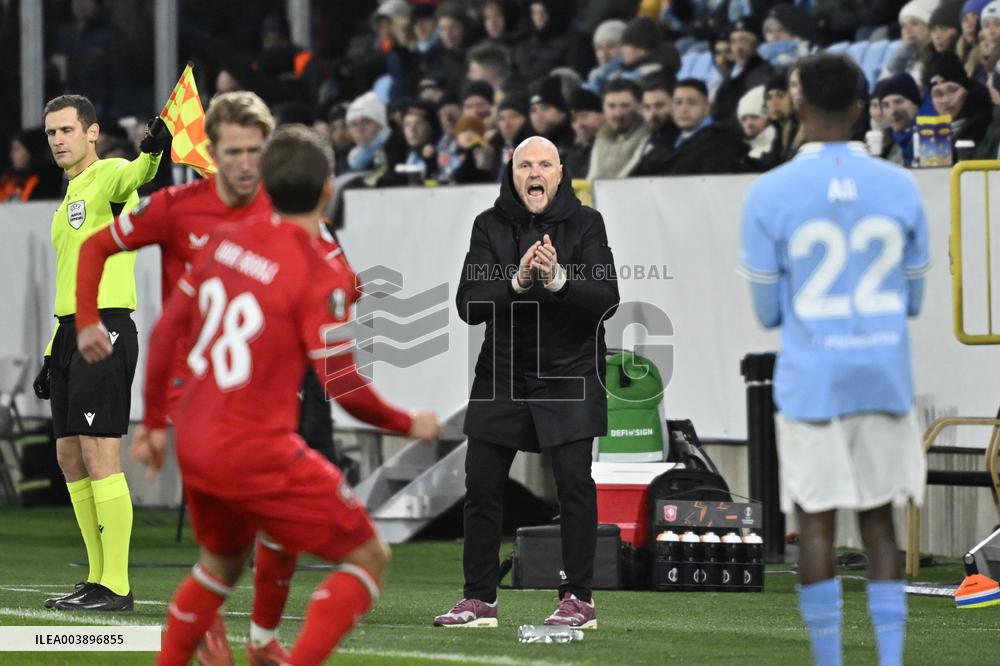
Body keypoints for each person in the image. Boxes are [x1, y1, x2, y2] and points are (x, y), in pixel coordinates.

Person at [142, 125, 442, 665]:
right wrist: (407, 423)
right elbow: (343, 385)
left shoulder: (223, 240)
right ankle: (270, 645)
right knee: (368, 556)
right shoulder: (318, 270)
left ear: (265, 183)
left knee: (219, 566)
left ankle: (250, 644)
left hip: (195, 438)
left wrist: (150, 422)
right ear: (328, 188)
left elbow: (165, 332)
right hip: (254, 447)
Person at [71, 91, 313, 664]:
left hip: (266, 382)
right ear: (213, 151)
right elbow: (98, 247)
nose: (245, 163)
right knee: (242, 511)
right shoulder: (177, 207)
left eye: (255, 151)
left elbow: (324, 266)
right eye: (234, 150)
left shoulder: (282, 209)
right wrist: (84, 321)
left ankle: (240, 630)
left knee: (272, 518)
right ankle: (227, 630)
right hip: (198, 383)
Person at [739, 53, 929, 666]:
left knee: (816, 522)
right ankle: (890, 660)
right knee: (879, 522)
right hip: (882, 374)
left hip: (812, 379)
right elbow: (914, 299)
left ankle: (830, 660)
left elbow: (768, 312)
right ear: (860, 107)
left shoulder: (769, 192)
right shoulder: (899, 185)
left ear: (797, 103)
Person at [435, 136, 619, 628]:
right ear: (512, 174)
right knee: (481, 483)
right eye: (524, 165)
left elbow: (607, 299)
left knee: (575, 484)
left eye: (544, 165)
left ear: (560, 173)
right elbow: (469, 305)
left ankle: (578, 598)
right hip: (503, 371)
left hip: (569, 370)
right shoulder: (488, 225)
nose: (534, 173)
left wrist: (558, 279)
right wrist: (516, 282)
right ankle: (480, 599)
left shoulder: (587, 223)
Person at [33, 94, 165, 612]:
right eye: (51, 133)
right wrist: (52, 352)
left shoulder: (108, 175)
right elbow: (68, 280)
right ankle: (95, 578)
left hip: (104, 327)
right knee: (69, 457)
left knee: (98, 453)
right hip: (69, 332)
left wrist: (152, 151)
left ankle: (117, 586)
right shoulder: (69, 194)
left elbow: (138, 173)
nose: (57, 140)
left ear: (92, 132)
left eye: (67, 130)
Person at [586, 78, 650, 179]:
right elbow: (593, 177)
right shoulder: (601, 136)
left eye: (625, 106)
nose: (618, 113)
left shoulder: (648, 137)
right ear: (603, 107)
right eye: (611, 106)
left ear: (639, 107)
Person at [0, 128, 63, 201]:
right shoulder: (8, 180)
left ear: (30, 152)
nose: (11, 155)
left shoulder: (46, 184)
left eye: (16, 149)